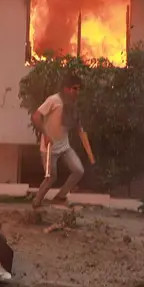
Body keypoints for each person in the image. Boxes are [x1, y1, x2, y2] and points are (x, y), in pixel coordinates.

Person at [31, 71, 95, 209]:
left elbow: (77, 126)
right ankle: (36, 203)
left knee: (78, 170)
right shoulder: (53, 100)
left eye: (79, 89)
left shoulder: (72, 105)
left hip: (64, 146)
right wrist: (46, 135)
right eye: (74, 89)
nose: (77, 92)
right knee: (51, 178)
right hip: (49, 147)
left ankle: (60, 197)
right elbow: (36, 116)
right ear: (66, 89)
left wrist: (87, 146)